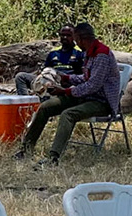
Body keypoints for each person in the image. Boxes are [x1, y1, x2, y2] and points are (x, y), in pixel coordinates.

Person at [14, 22, 119, 164]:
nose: (76, 43)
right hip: (84, 96)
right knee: (45, 108)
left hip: (101, 101)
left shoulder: (101, 54)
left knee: (68, 114)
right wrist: (67, 78)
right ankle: (26, 149)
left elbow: (93, 85)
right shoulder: (90, 52)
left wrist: (66, 91)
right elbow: (85, 78)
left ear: (81, 39)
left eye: (75, 39)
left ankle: (54, 157)